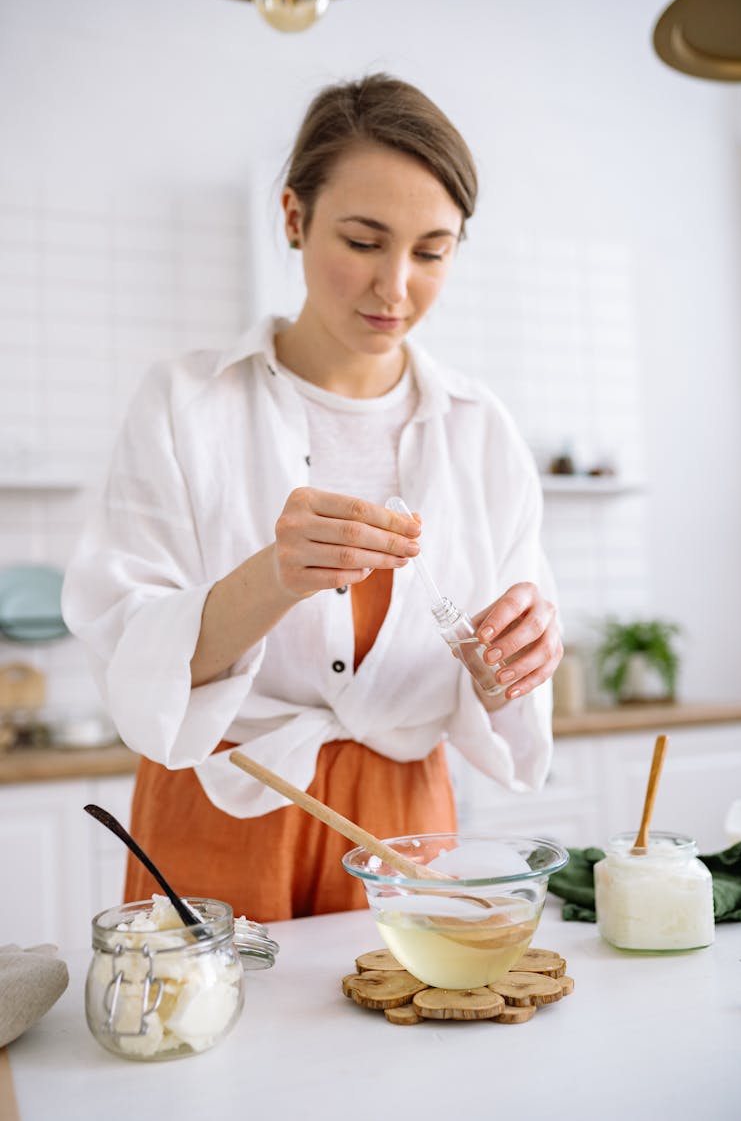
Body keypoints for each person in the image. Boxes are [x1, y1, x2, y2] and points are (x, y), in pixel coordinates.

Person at [62, 73, 562, 924]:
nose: (395, 287)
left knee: (402, 1046)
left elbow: (505, 683)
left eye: (432, 251)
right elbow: (124, 649)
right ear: (294, 218)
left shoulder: (483, 431)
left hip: (401, 824)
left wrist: (517, 658)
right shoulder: (186, 405)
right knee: (198, 1043)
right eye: (364, 240)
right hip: (220, 801)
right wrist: (274, 576)